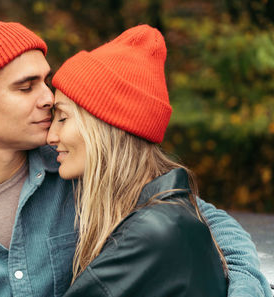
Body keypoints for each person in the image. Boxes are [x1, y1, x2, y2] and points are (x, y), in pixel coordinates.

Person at [0, 15, 272, 297]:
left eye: (45, 80)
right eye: (26, 88)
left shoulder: (78, 169)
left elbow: (207, 226)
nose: (48, 98)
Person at [47, 24, 233, 296]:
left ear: (106, 127)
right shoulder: (170, 216)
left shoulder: (149, 235)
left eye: (62, 117)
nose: (51, 135)